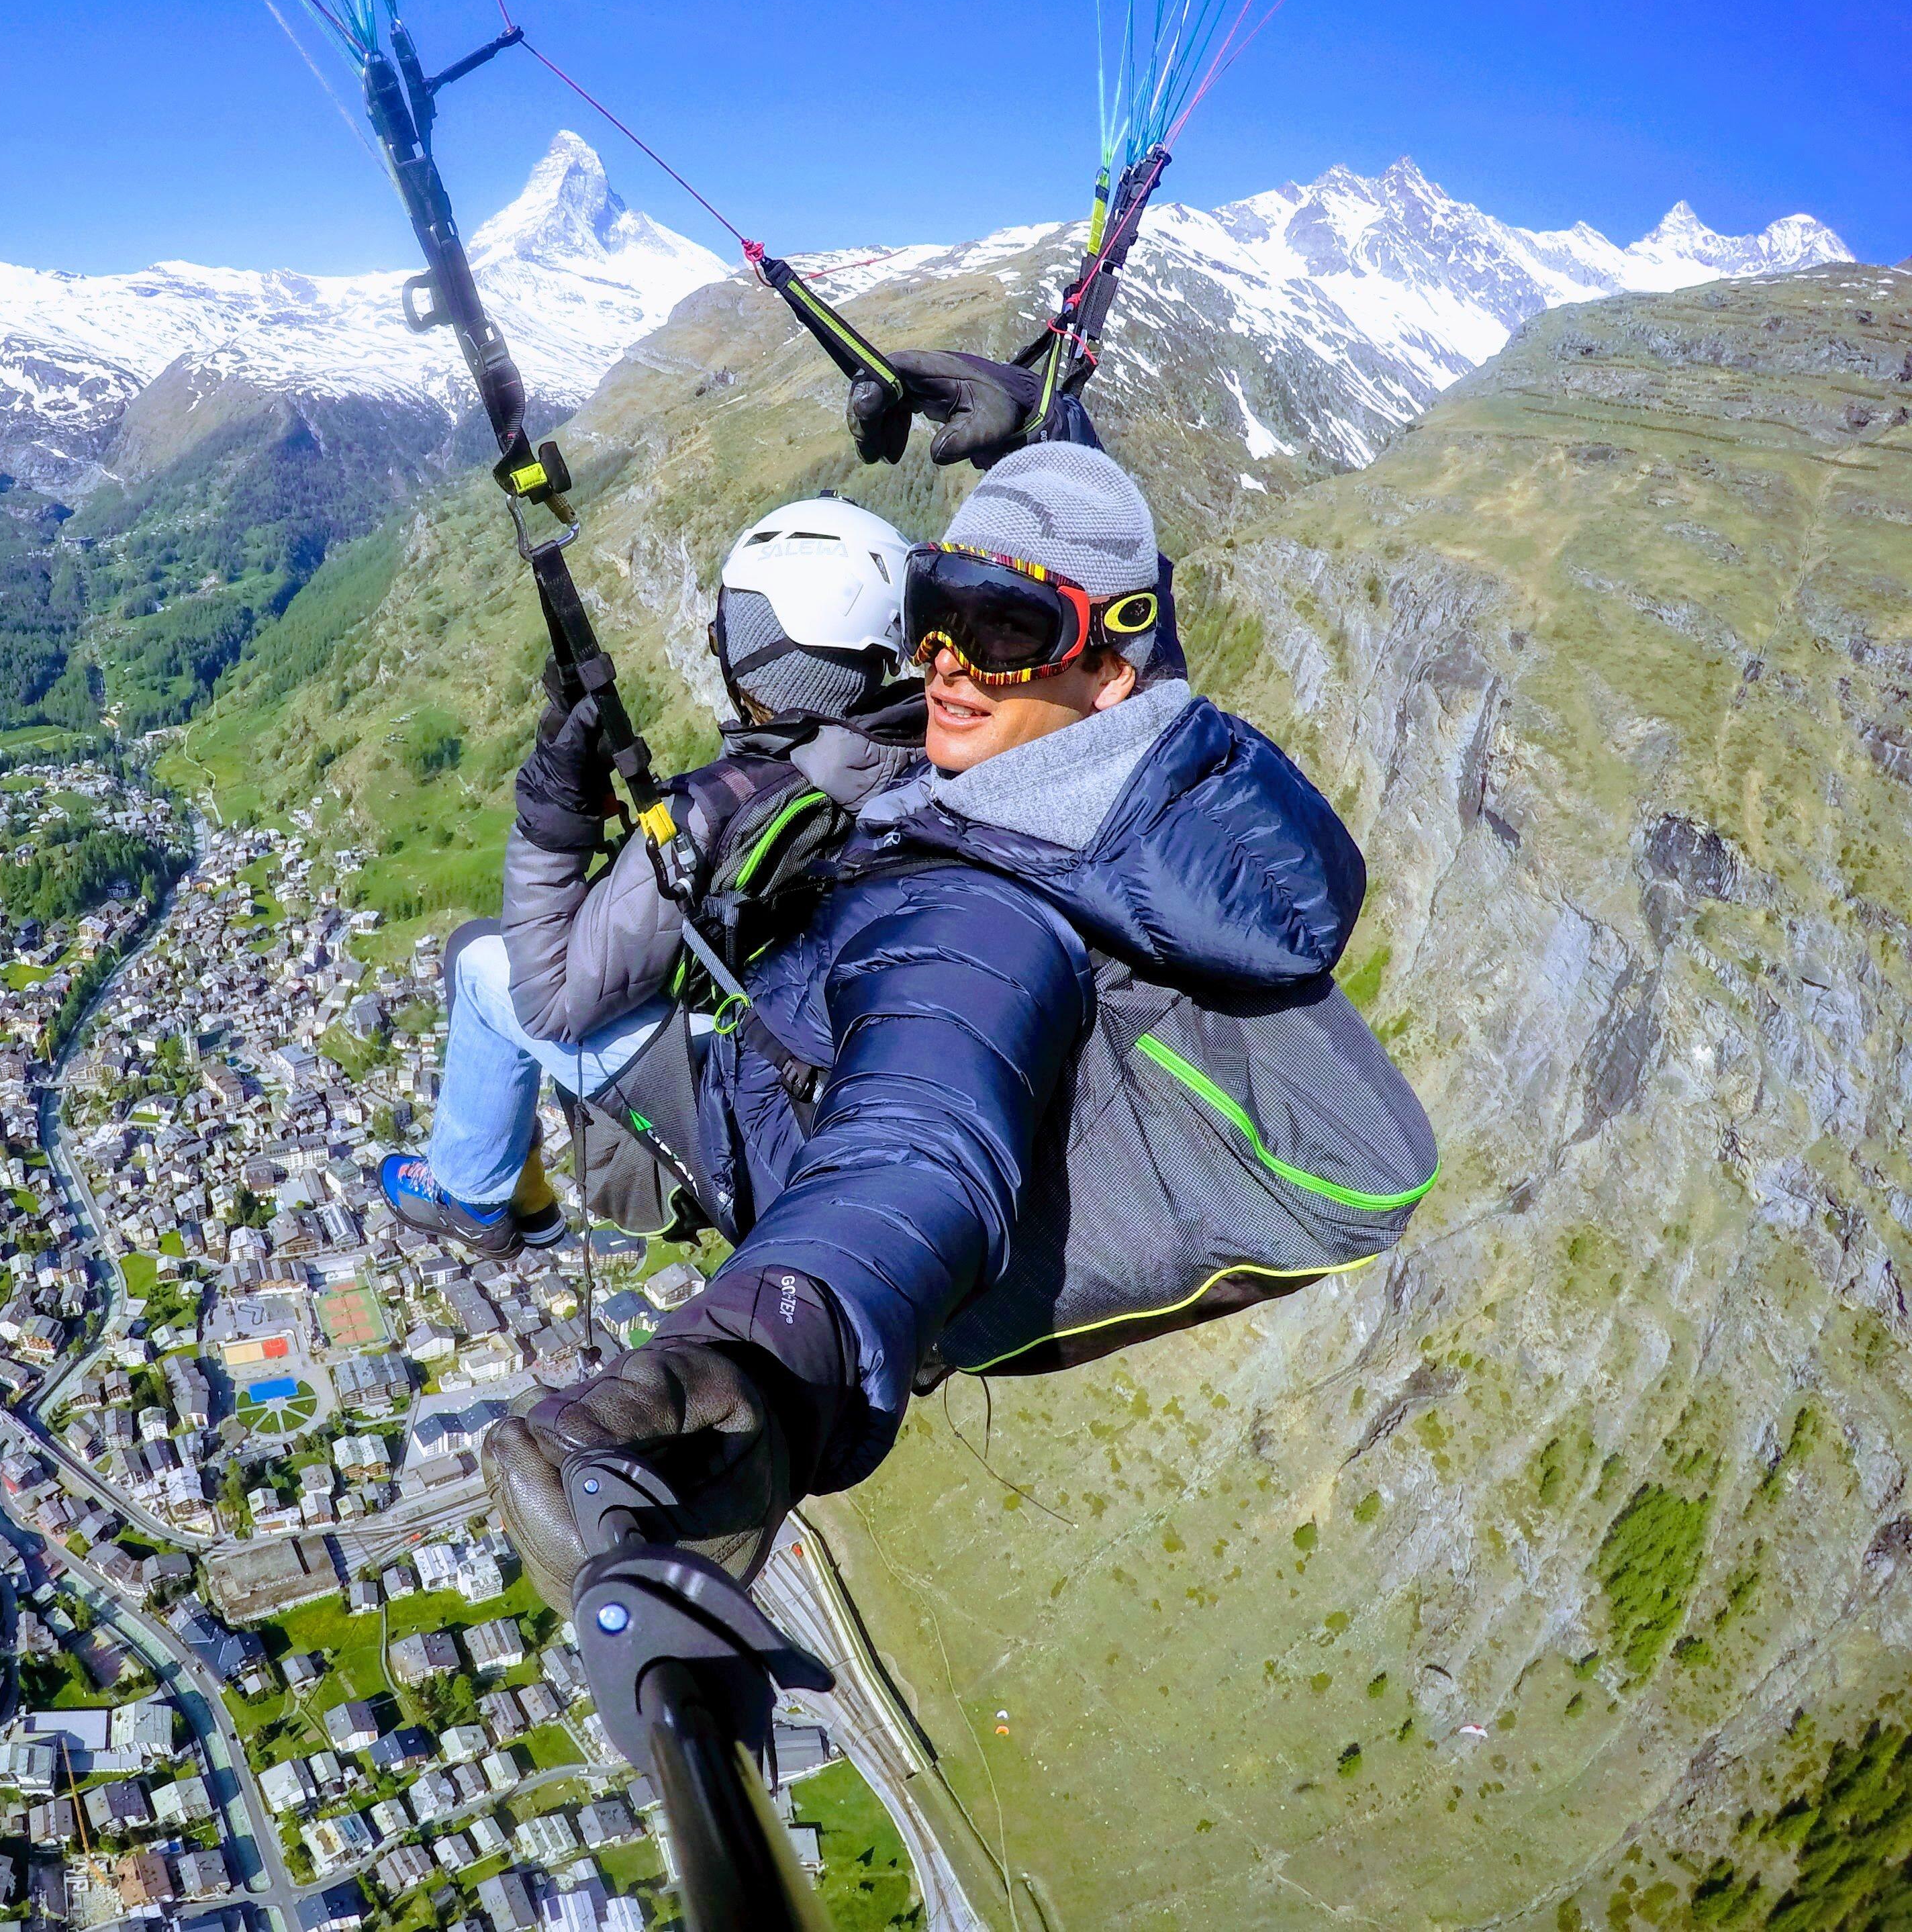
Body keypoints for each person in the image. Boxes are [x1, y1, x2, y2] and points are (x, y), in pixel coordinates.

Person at [486, 441, 1368, 1605]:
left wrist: (754, 1359)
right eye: (934, 611)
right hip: (815, 1085)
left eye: (1003, 631)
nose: (946, 663)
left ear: (1109, 668)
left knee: (486, 976)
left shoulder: (980, 909)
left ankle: (483, 1197)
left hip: (766, 1153)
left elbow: (916, 1145)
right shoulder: (1119, 789)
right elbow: (1101, 647)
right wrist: (1041, 440)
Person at [376, 493, 925, 1257]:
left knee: (477, 960)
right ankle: (509, 1186)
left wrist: (554, 808)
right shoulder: (928, 751)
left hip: (740, 1103)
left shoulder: (716, 810)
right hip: (850, 1074)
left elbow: (550, 1003)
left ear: (758, 654)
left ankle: (473, 1193)